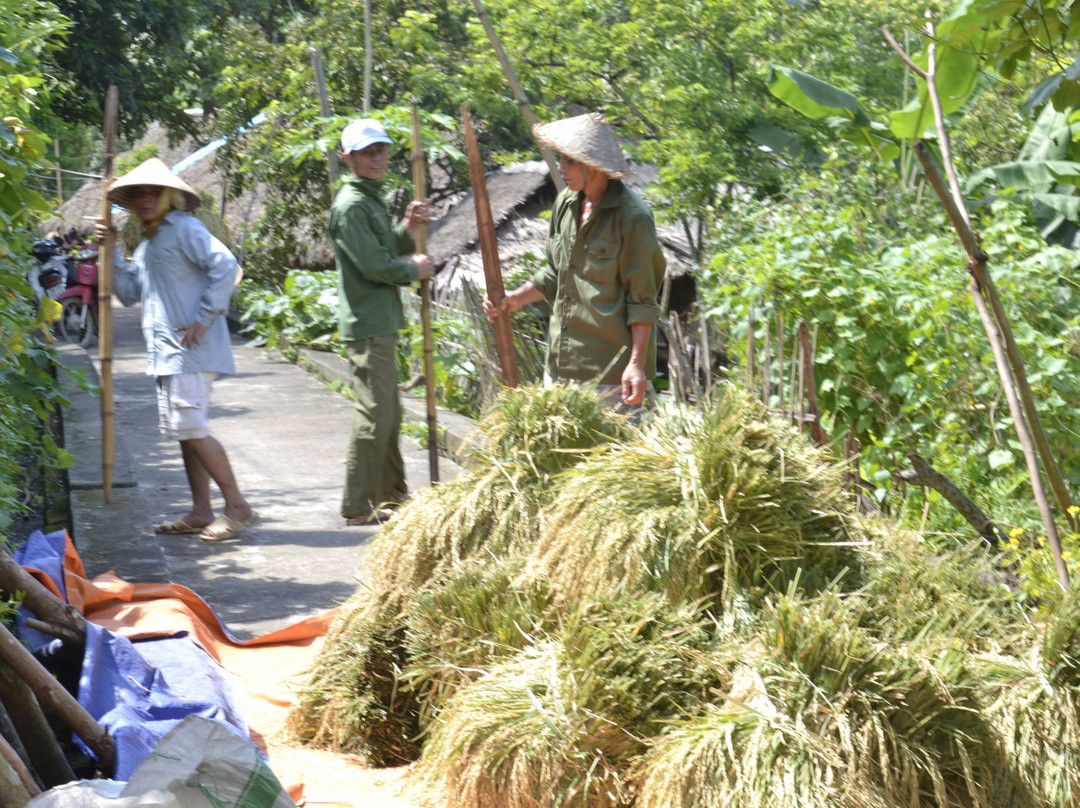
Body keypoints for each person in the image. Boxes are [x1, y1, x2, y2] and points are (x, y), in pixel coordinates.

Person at [96, 157, 258, 542]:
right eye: (140, 193)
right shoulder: (150, 242)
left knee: (190, 427)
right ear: (132, 202)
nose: (148, 199)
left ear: (170, 196)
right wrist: (113, 250)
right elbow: (129, 294)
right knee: (184, 431)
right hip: (167, 350)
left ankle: (237, 506)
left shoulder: (186, 228)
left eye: (155, 192)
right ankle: (201, 510)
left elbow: (226, 264)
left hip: (191, 346)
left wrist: (204, 317)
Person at [483, 112, 666, 409]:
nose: (560, 167)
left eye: (568, 160)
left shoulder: (632, 218)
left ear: (592, 165)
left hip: (609, 376)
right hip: (559, 367)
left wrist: (636, 365)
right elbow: (556, 272)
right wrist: (514, 299)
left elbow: (643, 301)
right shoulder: (566, 203)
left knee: (605, 456)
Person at [330, 118, 434, 526]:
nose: (377, 159)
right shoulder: (352, 204)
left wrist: (407, 229)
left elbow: (383, 247)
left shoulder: (368, 198)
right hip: (369, 322)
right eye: (367, 153)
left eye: (381, 151)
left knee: (389, 412)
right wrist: (414, 270)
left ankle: (390, 493)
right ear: (348, 159)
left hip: (379, 320)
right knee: (375, 414)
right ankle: (359, 505)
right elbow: (375, 265)